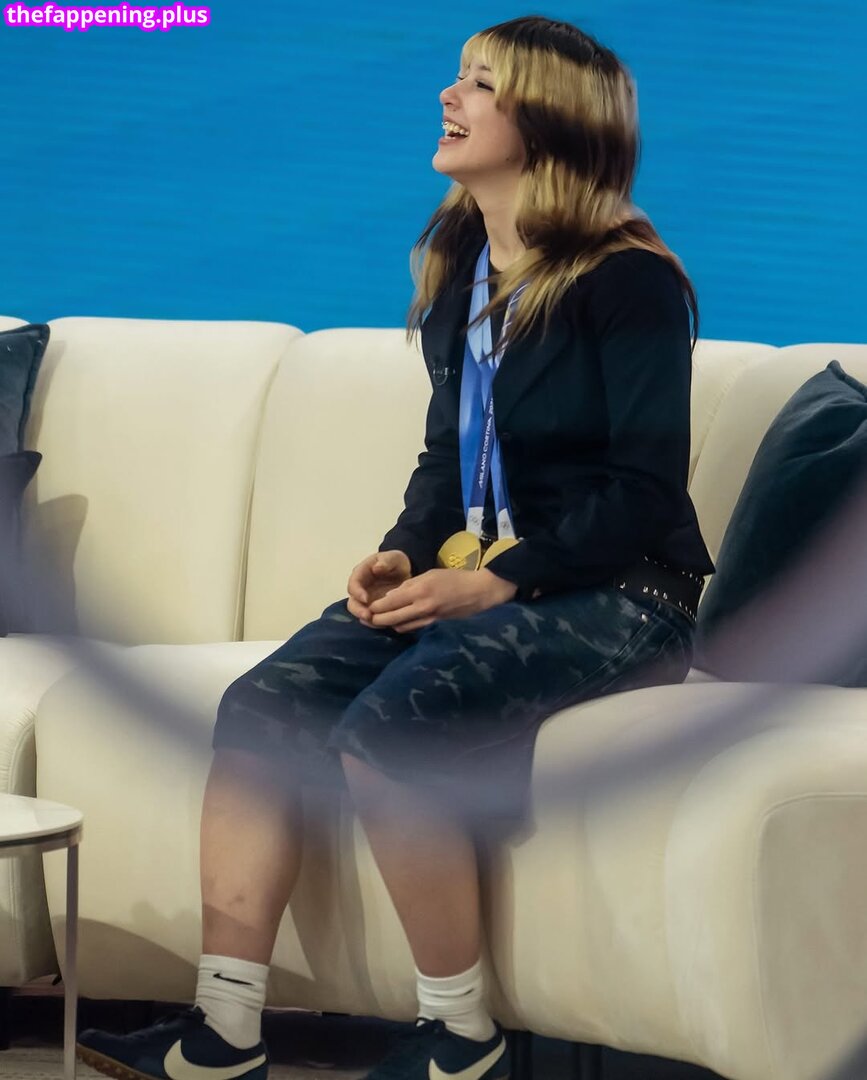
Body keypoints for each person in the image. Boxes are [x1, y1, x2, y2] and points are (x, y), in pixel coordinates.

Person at [76, 14, 715, 1080]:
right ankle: (223, 1034)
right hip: (487, 579)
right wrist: (402, 557)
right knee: (261, 707)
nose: (447, 97)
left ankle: (459, 1040)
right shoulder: (463, 265)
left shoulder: (629, 281)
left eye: (480, 84)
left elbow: (643, 495)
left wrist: (501, 582)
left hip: (624, 592)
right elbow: (444, 463)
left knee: (392, 731)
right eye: (457, 78)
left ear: (549, 119)